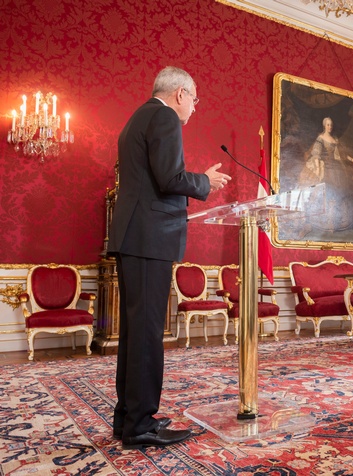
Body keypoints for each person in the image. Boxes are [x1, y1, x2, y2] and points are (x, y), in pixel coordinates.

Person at [107, 66, 231, 449]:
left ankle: (128, 418)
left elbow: (155, 177)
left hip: (135, 238)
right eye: (194, 100)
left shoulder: (137, 118)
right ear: (180, 93)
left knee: (135, 333)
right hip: (148, 239)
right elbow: (169, 179)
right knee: (146, 334)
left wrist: (195, 177)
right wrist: (204, 182)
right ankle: (141, 426)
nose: (194, 108)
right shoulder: (163, 116)